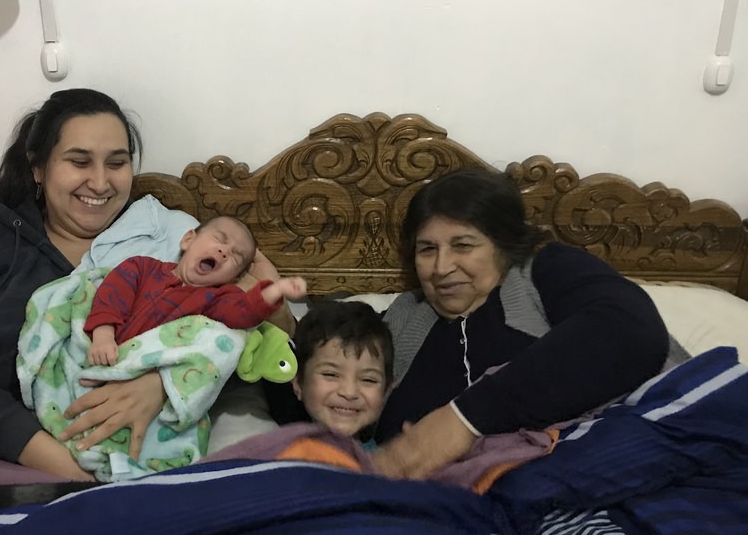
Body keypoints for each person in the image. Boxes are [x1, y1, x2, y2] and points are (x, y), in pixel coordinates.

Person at [0, 88, 293, 482]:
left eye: (117, 163)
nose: (101, 182)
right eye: (79, 162)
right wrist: (60, 464)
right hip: (17, 466)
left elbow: (241, 343)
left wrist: (164, 383)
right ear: (38, 168)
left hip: (154, 460)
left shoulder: (175, 237)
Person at [370, 168, 672, 480]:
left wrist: (464, 420)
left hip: (621, 471)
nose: (441, 267)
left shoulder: (546, 272)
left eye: (463, 245)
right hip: (454, 502)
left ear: (502, 246)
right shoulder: (402, 318)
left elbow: (630, 332)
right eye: (427, 249)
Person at [86, 216, 307, 366]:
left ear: (234, 278)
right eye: (220, 239)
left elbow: (244, 311)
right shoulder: (142, 267)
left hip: (148, 372)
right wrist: (103, 334)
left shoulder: (216, 299)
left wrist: (275, 289)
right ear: (188, 240)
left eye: (236, 256)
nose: (224, 251)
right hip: (103, 349)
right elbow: (112, 294)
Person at [289, 300, 393, 447]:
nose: (349, 392)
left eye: (368, 379)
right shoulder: (273, 453)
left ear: (386, 391)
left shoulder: (386, 460)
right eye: (330, 374)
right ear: (298, 382)